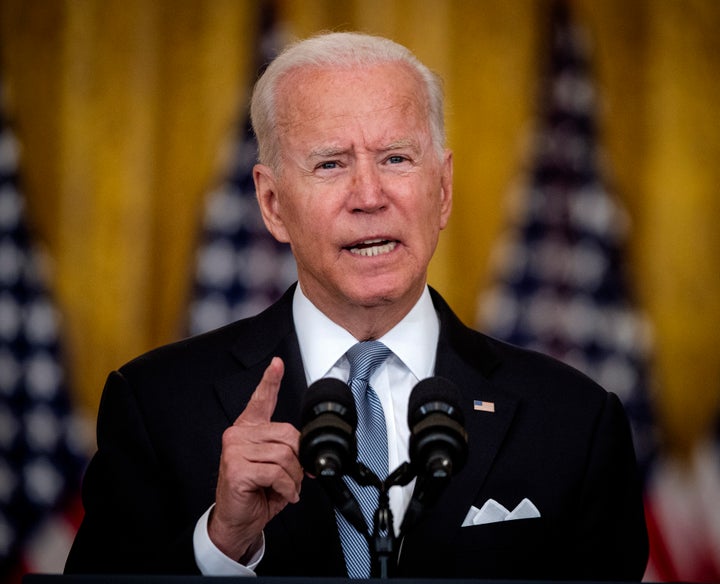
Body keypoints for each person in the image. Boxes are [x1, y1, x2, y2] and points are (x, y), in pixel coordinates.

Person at [64, 32, 648, 580]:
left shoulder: (574, 420)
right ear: (271, 203)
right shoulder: (158, 406)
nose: (370, 197)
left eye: (396, 158)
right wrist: (222, 542)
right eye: (330, 164)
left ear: (441, 190)